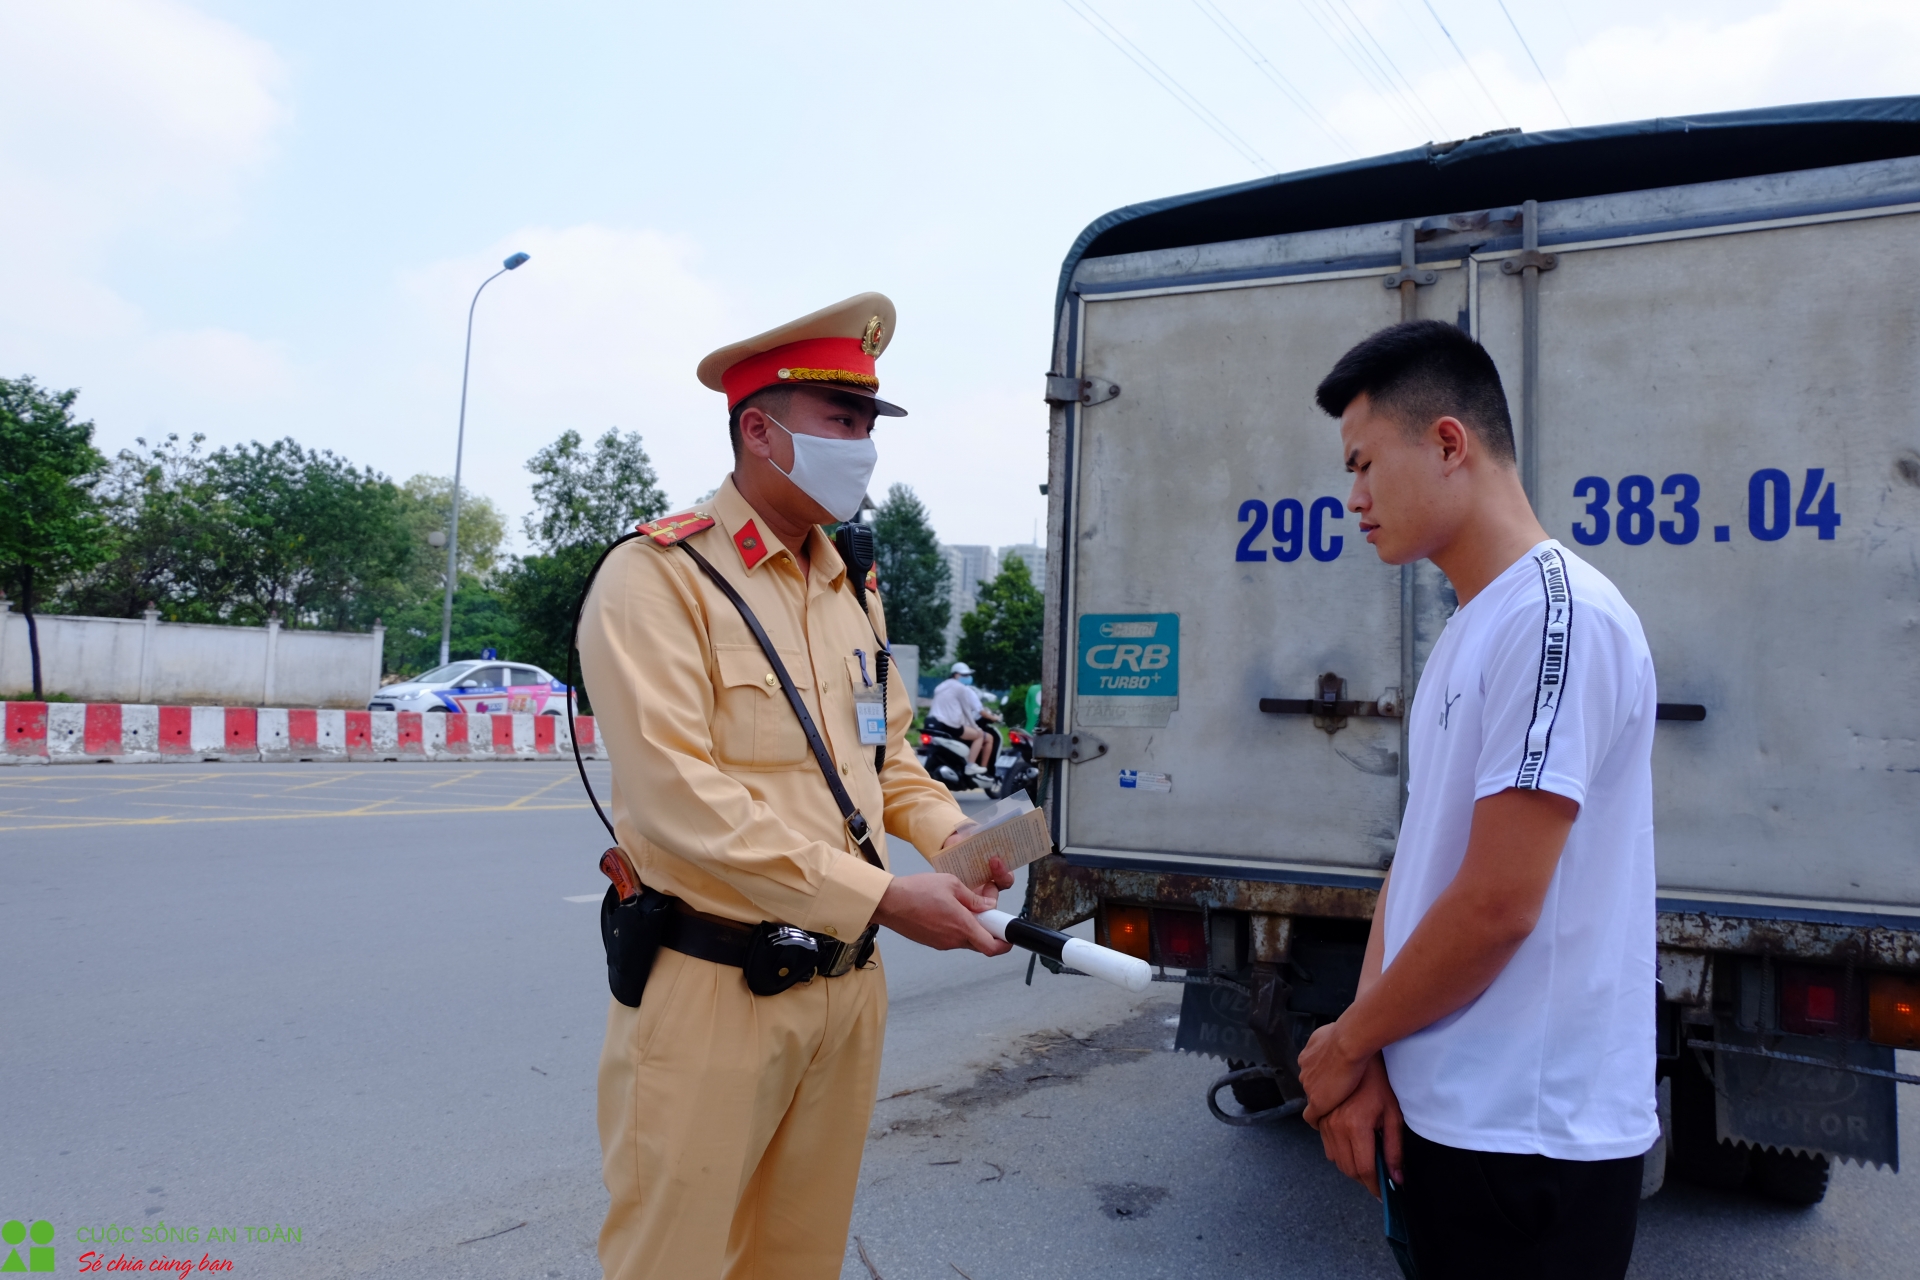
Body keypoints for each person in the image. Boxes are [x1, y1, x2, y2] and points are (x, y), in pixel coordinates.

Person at [577, 292, 1014, 1280]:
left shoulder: (848, 583)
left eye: (868, 425)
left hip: (846, 992)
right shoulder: (660, 577)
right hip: (714, 987)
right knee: (676, 1261)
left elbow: (885, 754)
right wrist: (885, 896)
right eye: (841, 422)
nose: (863, 448)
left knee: (797, 1260)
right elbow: (677, 798)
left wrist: (952, 838)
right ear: (760, 431)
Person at [1296, 320, 1658, 1279]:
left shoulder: (1555, 617)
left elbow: (1498, 901)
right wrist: (1374, 1054)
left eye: (1364, 464)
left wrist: (1345, 1044)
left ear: (1449, 443)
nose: (1354, 498)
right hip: (1451, 1122)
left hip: (1530, 1143)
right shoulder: (1471, 627)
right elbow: (1419, 863)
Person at [928, 660, 997, 773]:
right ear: (956, 675)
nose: (967, 677)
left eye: (968, 675)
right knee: (980, 735)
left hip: (932, 722)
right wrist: (976, 727)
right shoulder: (960, 688)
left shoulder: (941, 686)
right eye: (964, 675)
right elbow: (967, 711)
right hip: (949, 725)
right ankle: (971, 766)